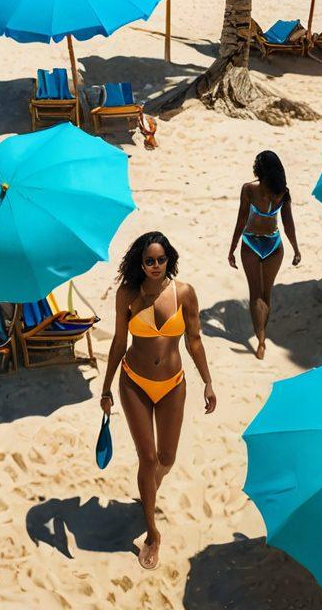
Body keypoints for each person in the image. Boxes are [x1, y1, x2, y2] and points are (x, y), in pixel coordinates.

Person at [99, 232, 216, 571]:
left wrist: (208, 381)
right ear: (140, 262)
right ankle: (152, 533)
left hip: (172, 385)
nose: (154, 266)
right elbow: (119, 342)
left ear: (169, 260)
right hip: (133, 383)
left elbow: (194, 340)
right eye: (148, 260)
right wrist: (106, 389)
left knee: (167, 457)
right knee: (148, 459)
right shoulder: (128, 295)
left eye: (160, 259)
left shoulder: (184, 293)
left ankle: (148, 491)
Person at [227, 150, 300, 359]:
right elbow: (288, 225)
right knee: (267, 294)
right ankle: (262, 337)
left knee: (255, 293)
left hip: (251, 242)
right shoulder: (283, 193)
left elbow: (241, 221)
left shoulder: (249, 189)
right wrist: (296, 249)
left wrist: (232, 249)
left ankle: (259, 339)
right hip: (274, 243)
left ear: (259, 169)